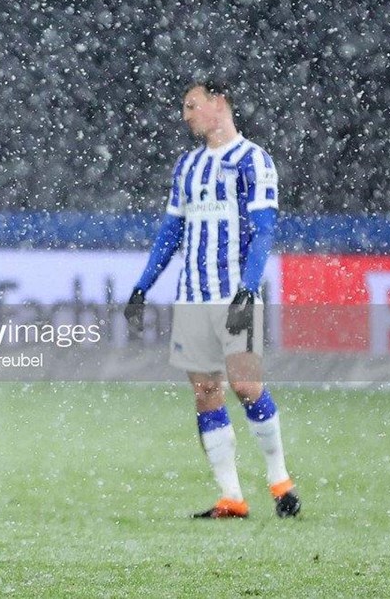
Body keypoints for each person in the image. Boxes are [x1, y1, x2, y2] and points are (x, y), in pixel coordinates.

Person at [125, 80, 300, 519]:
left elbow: (263, 231)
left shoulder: (253, 160)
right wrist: (142, 285)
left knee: (245, 385)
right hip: (192, 297)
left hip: (234, 294)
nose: (186, 115)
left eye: (192, 105)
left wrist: (248, 288)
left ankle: (280, 482)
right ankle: (232, 498)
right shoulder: (187, 166)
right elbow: (170, 233)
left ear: (219, 103)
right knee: (206, 391)